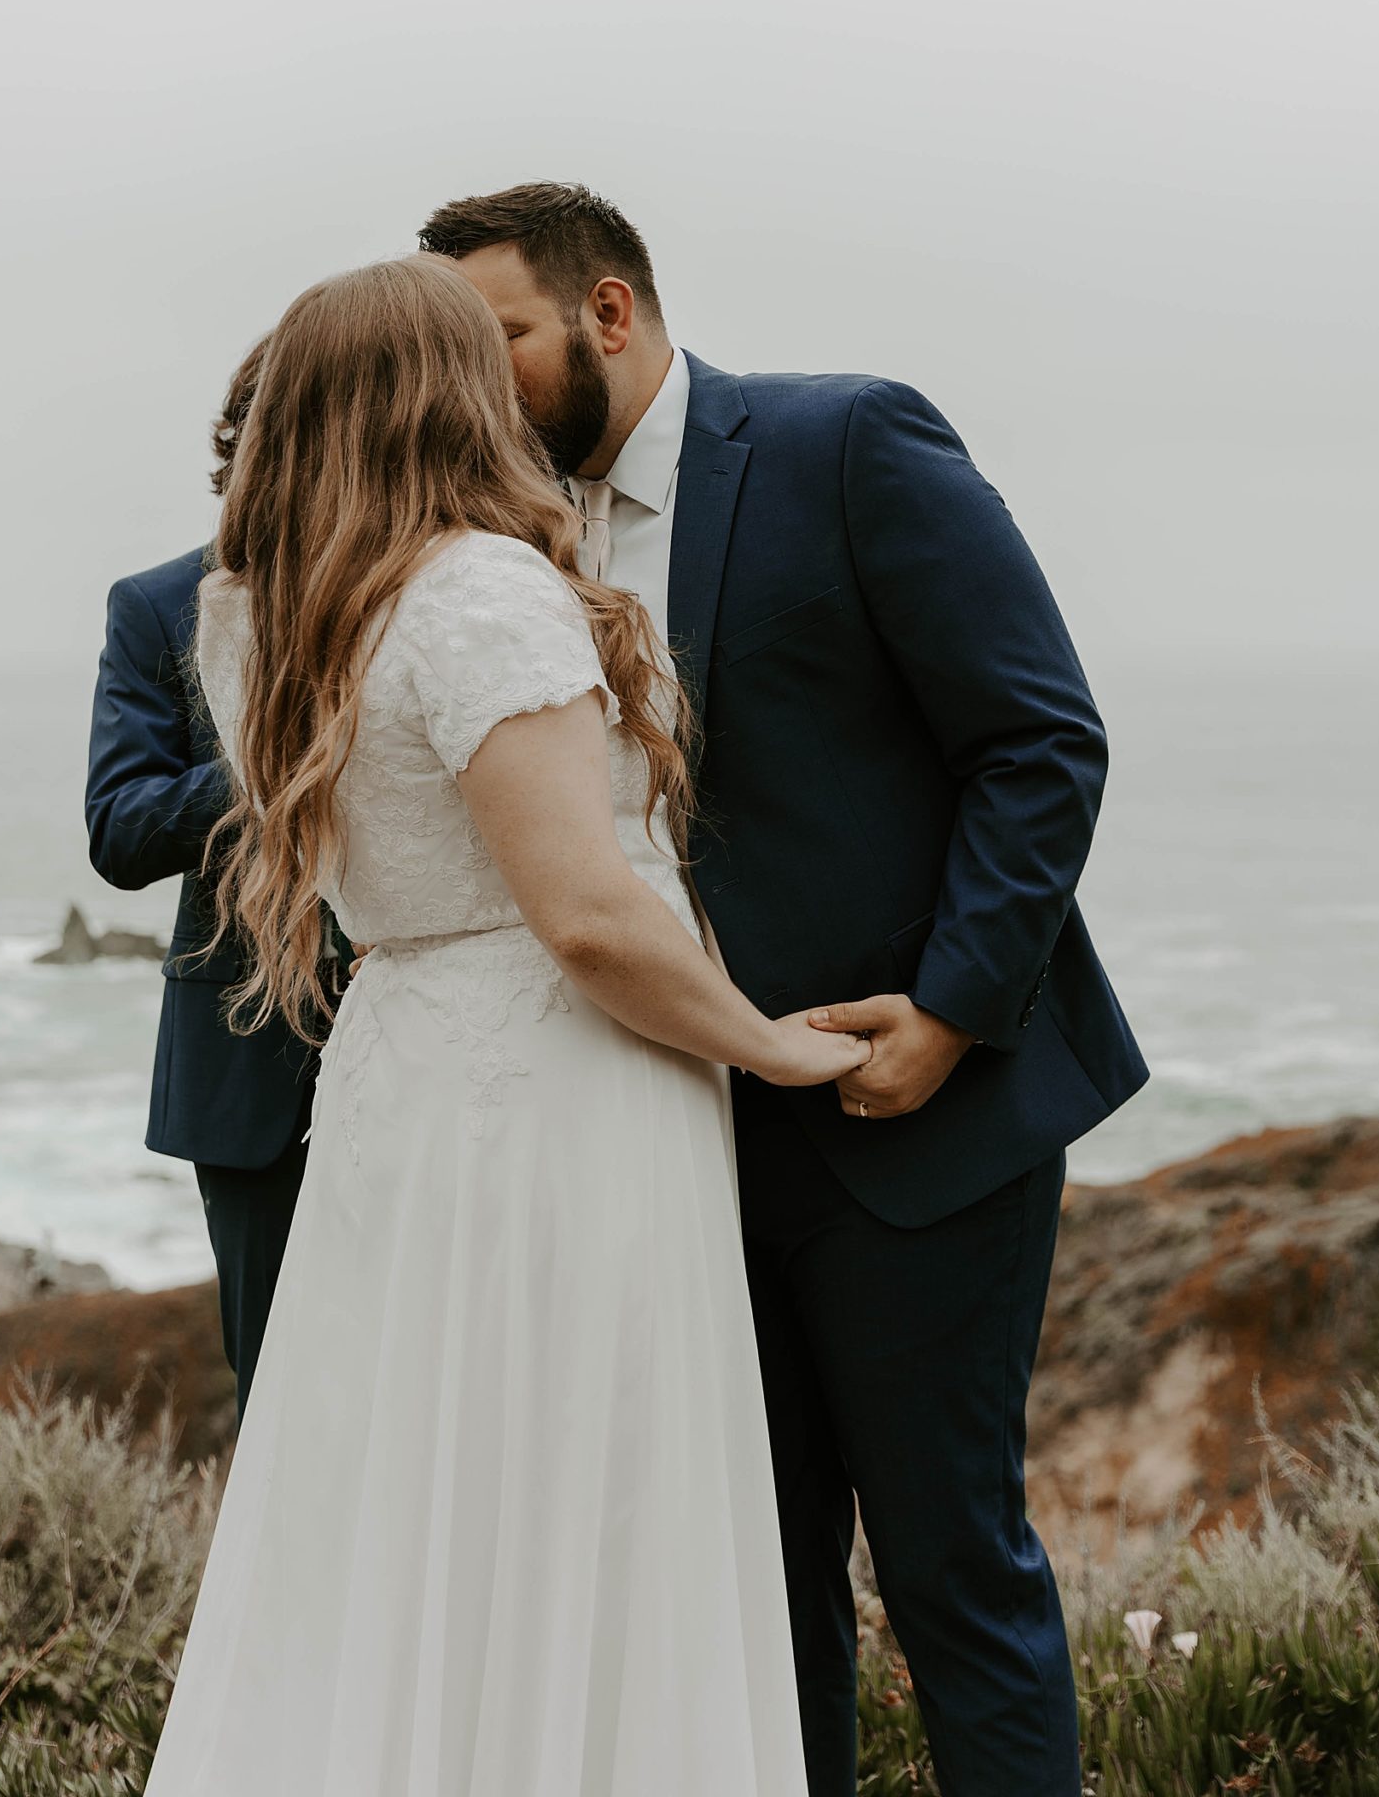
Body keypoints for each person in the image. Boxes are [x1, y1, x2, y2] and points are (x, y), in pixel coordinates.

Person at [418, 181, 1149, 1797]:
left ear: (608, 311)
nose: (478, 390)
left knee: (955, 1578)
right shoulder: (505, 545)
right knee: (750, 1598)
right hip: (679, 1146)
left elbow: (1039, 741)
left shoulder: (848, 444)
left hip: (919, 1125)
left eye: (504, 343)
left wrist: (950, 1014)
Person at [143, 255, 863, 1797]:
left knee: (405, 1508)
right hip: (558, 1093)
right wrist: (777, 1045)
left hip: (401, 1085)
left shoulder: (260, 615)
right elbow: (591, 918)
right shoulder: (473, 591)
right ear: (443, 392)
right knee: (583, 1502)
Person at [85, 340, 316, 1417]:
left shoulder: (439, 586)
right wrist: (279, 758)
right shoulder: (158, 604)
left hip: (441, 1057)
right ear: (248, 437)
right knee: (285, 1402)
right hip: (249, 1076)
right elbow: (121, 830)